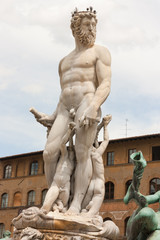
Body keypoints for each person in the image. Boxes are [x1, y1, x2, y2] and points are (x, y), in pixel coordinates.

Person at [35, 7, 111, 214]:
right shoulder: (64, 62)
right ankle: (58, 198)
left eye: (94, 25)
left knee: (82, 152)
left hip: (88, 102)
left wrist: (94, 106)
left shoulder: (100, 52)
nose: (93, 28)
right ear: (75, 28)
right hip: (64, 109)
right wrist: (50, 117)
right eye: (88, 24)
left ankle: (76, 203)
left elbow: (105, 84)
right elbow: (64, 93)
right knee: (49, 152)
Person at [81, 114, 112, 217]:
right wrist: (106, 126)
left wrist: (100, 125)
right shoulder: (97, 154)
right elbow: (106, 140)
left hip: (89, 186)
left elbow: (94, 136)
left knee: (83, 210)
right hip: (99, 183)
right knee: (92, 214)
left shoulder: (87, 156)